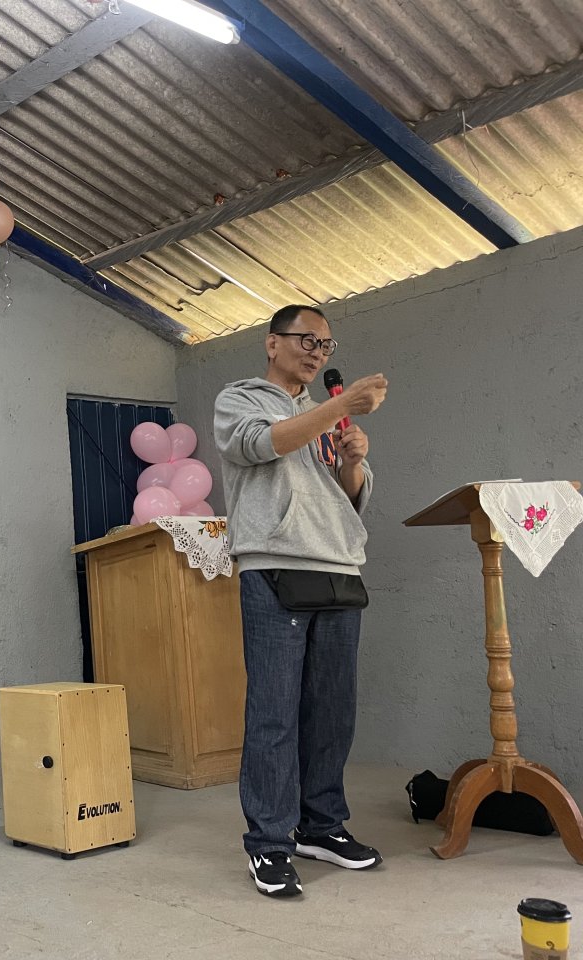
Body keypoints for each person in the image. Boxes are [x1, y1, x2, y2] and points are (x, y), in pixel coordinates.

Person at [213, 304, 389, 898]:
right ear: (272, 343)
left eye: (326, 345)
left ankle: (321, 826)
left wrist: (354, 462)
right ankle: (268, 841)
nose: (317, 352)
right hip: (274, 566)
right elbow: (259, 446)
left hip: (337, 565)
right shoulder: (240, 399)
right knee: (274, 712)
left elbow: (350, 496)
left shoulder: (324, 415)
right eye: (307, 339)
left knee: (333, 711)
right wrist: (337, 408)